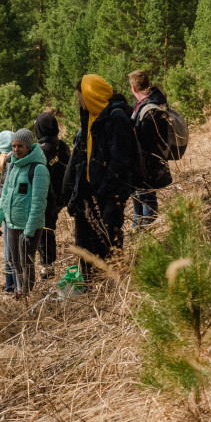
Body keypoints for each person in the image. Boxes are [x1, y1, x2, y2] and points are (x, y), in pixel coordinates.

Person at [64, 74, 137, 282]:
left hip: (110, 193)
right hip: (92, 192)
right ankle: (91, 282)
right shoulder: (91, 116)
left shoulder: (116, 117)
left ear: (91, 96)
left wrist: (103, 190)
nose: (79, 103)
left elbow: (120, 161)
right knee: (86, 242)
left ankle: (113, 282)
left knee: (107, 239)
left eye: (81, 98)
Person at [0, 128, 48, 297]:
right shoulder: (13, 166)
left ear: (29, 146)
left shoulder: (38, 169)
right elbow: (5, 197)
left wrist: (30, 231)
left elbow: (39, 203)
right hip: (12, 223)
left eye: (20, 146)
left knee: (26, 263)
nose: (16, 149)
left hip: (28, 226)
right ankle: (20, 292)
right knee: (14, 262)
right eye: (14, 146)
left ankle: (26, 296)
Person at [128, 69, 174, 229]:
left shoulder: (150, 108)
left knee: (147, 202)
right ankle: (138, 231)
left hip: (147, 164)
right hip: (146, 162)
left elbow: (146, 140)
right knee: (139, 199)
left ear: (133, 88)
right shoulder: (152, 101)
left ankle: (148, 234)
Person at [32, 111, 71, 274]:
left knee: (44, 232)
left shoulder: (38, 152)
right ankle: (49, 265)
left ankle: (47, 267)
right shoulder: (62, 146)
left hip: (47, 198)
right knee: (49, 230)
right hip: (63, 196)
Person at [0, 129, 16, 293]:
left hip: (9, 212)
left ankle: (11, 287)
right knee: (11, 251)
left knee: (10, 251)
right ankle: (11, 287)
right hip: (9, 212)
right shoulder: (10, 160)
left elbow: (7, 191)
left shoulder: (7, 161)